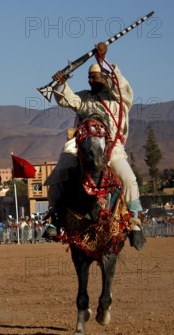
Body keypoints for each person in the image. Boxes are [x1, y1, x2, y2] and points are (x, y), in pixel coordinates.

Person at [43, 42, 145, 251]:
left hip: (112, 148)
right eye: (89, 77)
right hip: (79, 147)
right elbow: (67, 100)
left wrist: (101, 60)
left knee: (129, 178)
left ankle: (135, 223)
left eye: (95, 77)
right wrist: (61, 84)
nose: (90, 80)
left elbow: (120, 85)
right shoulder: (85, 98)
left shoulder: (118, 99)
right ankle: (55, 218)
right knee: (60, 172)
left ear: (105, 77)